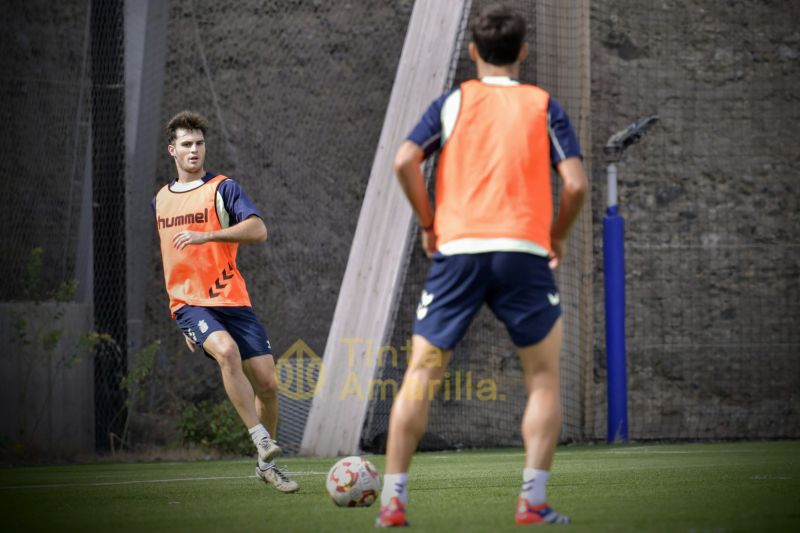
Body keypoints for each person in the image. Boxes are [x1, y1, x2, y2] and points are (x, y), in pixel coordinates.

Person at [376, 4, 588, 527]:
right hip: (524, 254)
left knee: (421, 373)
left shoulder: (452, 102)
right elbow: (576, 184)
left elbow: (404, 160)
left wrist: (428, 223)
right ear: (523, 53)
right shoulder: (543, 105)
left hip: (459, 253)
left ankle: (393, 503)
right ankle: (532, 502)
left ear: (473, 52)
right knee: (543, 379)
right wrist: (557, 235)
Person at [153, 110, 298, 493]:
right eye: (186, 144)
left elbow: (258, 230)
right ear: (172, 150)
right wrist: (183, 320)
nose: (194, 150)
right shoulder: (161, 200)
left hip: (232, 299)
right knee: (227, 352)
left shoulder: (223, 188)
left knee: (267, 385)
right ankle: (260, 438)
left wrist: (207, 235)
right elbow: (171, 260)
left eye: (199, 143)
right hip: (190, 304)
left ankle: (267, 467)